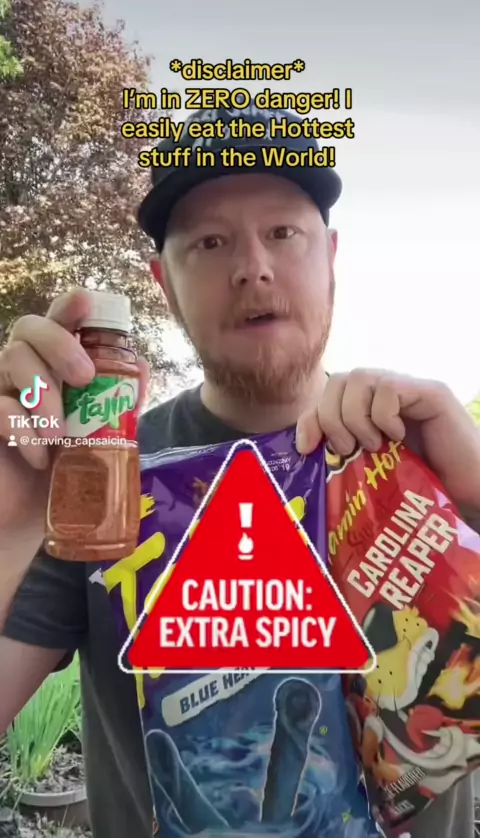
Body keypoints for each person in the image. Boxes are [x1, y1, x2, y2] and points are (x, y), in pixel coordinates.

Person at [0, 106, 479, 838]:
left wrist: (475, 499)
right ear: (164, 285)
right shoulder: (98, 484)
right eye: (211, 241)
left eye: (283, 233)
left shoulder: (428, 452)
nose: (253, 266)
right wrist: (10, 524)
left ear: (331, 259)